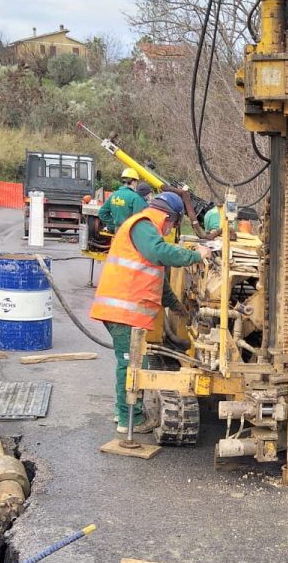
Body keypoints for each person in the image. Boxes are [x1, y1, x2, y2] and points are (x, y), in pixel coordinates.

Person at [90, 191, 211, 434]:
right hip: (122, 312)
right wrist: (196, 255)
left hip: (126, 312)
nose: (169, 232)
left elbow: (159, 280)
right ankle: (128, 419)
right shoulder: (143, 226)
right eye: (172, 226)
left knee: (132, 362)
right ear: (169, 218)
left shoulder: (145, 230)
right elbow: (160, 252)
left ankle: (123, 413)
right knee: (132, 364)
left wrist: (178, 308)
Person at [97, 167, 153, 233]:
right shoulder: (136, 197)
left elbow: (102, 213)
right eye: (136, 181)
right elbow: (138, 220)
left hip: (118, 231)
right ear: (133, 181)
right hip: (130, 233)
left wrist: (114, 224)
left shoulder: (113, 195)